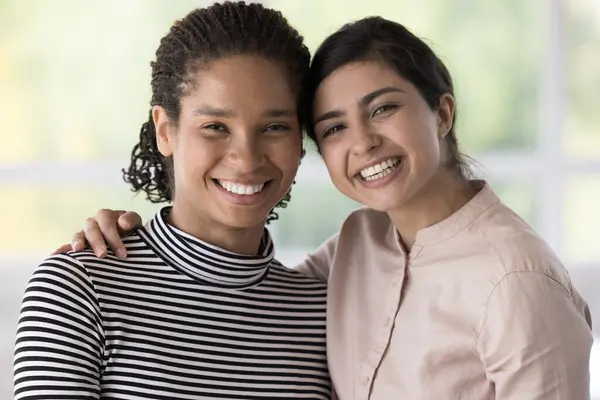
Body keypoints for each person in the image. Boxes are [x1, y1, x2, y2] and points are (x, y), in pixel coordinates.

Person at [52, 14, 593, 400]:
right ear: (166, 130)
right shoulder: (353, 251)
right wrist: (116, 238)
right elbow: (235, 287)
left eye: (383, 109)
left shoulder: (516, 281)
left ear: (443, 112)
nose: (362, 143)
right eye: (334, 127)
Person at [13, 3, 333, 399]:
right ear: (166, 131)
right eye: (215, 126)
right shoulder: (79, 288)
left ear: (299, 141)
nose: (247, 158)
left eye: (274, 127)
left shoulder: (323, 312)